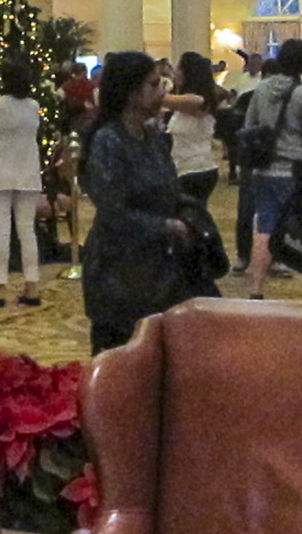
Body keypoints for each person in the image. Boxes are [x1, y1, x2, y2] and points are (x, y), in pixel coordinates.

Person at [81, 51, 210, 352]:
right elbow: (113, 211)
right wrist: (164, 225)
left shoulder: (151, 138)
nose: (162, 92)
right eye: (153, 85)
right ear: (130, 93)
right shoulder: (108, 141)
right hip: (119, 272)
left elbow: (168, 188)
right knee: (121, 360)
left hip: (157, 269)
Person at [241, 37, 302, 299]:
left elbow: (249, 124)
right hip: (294, 171)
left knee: (264, 229)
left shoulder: (262, 89)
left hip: (263, 170)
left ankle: (255, 290)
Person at [0, 59, 43, 307]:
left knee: (1, 229)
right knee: (27, 230)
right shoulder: (33, 106)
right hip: (27, 173)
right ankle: (32, 284)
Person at [162, 51, 226, 206]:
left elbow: (161, 99)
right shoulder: (189, 101)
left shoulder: (196, 100)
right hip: (186, 168)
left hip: (194, 170)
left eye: (178, 68)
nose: (174, 72)